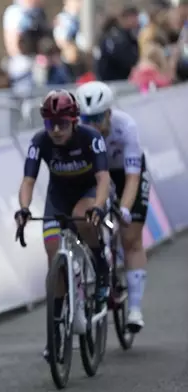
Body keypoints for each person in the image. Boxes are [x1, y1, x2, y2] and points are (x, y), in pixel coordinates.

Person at [14, 90, 111, 359]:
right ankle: (55, 331)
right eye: (50, 124)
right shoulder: (40, 141)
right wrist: (23, 208)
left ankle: (100, 264)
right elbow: (28, 181)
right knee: (53, 254)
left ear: (75, 121)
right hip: (58, 199)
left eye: (62, 124)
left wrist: (99, 207)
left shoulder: (91, 138)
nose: (55, 130)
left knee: (83, 217)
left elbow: (103, 178)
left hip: (88, 193)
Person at [75, 81, 149, 332]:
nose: (92, 125)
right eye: (86, 118)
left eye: (97, 118)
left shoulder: (125, 126)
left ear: (109, 113)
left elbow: (132, 178)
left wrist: (125, 208)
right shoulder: (79, 131)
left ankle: (135, 310)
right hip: (97, 174)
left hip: (124, 173)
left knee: (130, 237)